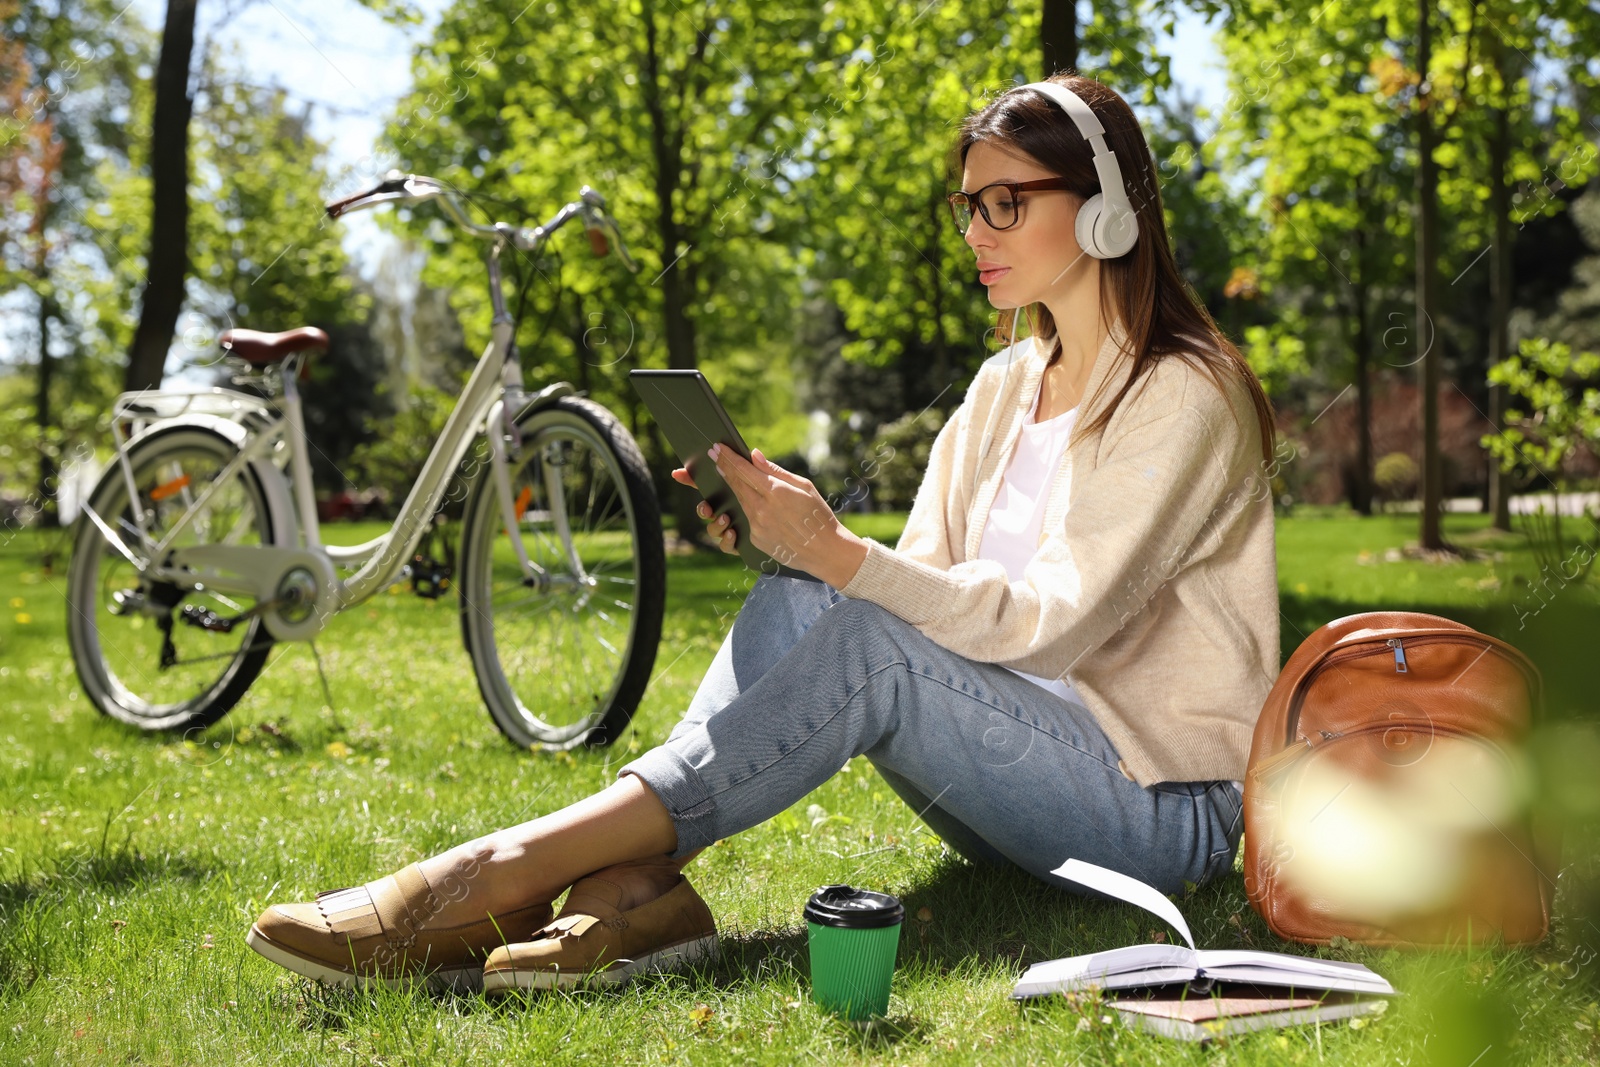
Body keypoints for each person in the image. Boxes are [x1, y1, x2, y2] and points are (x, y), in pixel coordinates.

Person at [245, 72, 1281, 994]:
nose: (975, 231)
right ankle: (639, 889)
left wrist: (841, 552)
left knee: (864, 626)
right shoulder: (1004, 385)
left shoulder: (1185, 392)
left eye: (1005, 202)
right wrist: (799, 546)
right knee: (805, 594)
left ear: (1105, 207)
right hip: (1005, 775)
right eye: (968, 205)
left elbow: (1052, 626)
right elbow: (921, 585)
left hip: (1153, 813)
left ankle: (502, 869)